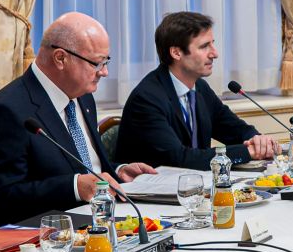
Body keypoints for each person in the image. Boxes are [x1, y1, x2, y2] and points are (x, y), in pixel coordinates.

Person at [0, 12, 155, 223]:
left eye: (106, 62)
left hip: (104, 219)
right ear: (60, 58)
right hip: (52, 233)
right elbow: (1, 196)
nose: (103, 72)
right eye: (97, 63)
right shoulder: (7, 110)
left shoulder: (83, 97)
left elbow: (81, 164)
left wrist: (118, 171)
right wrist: (74, 187)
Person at [113, 12, 280, 171]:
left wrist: (258, 140)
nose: (215, 53)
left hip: (192, 189)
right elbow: (180, 159)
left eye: (212, 44)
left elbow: (233, 128)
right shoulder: (147, 99)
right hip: (146, 195)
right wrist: (248, 152)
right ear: (176, 52)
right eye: (205, 46)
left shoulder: (199, 87)